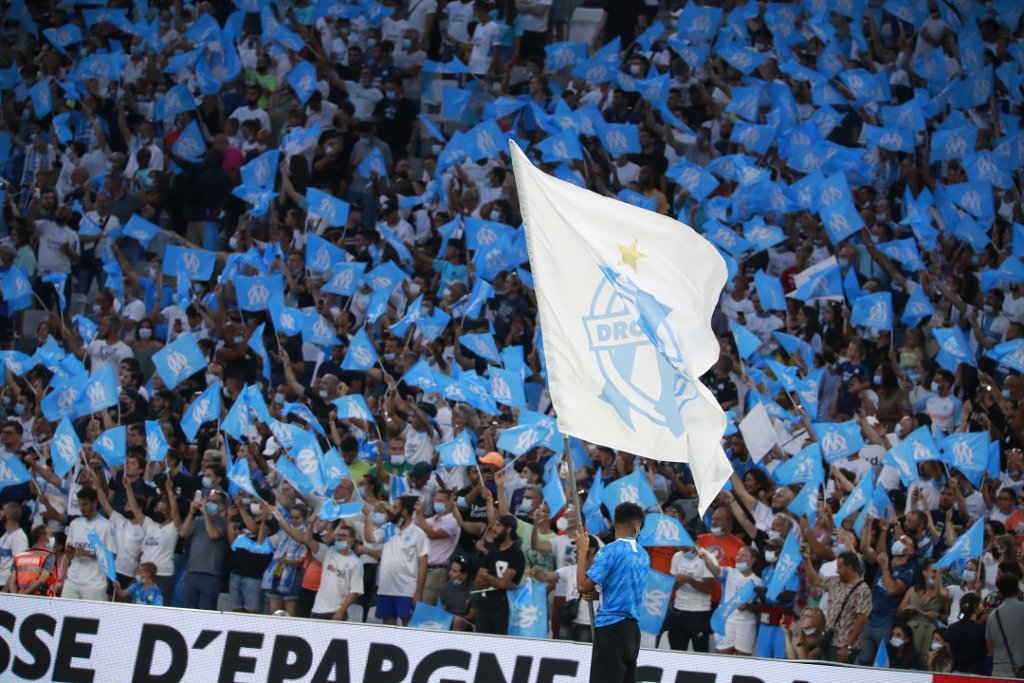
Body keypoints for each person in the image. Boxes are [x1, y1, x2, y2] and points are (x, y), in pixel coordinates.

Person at [576, 502, 648, 683]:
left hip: (611, 628)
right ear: (637, 527)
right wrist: (597, 594)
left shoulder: (609, 551)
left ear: (614, 524)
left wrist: (582, 552)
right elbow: (623, 586)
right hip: (632, 632)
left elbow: (583, 586)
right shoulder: (643, 555)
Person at [474, 514, 525, 634]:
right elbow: (477, 582)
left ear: (508, 530)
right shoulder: (492, 552)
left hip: (504, 606)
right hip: (484, 604)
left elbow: (502, 583)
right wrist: (499, 582)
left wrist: (487, 577)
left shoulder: (516, 554)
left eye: (498, 525)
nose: (493, 529)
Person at [62, 488, 114, 601]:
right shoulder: (74, 524)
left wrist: (89, 553)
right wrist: (69, 553)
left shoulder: (106, 526)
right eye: (79, 504)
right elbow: (68, 555)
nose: (81, 508)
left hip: (94, 584)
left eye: (85, 504)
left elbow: (111, 557)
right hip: (72, 580)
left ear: (94, 503)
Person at [986, 573, 1024, 678]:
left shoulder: (992, 616)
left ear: (999, 594)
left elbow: (990, 647)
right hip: (1021, 669)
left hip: (999, 671)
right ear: (1018, 591)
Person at [3, 525, 54, 595]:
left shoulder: (20, 555)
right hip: (40, 598)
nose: (52, 539)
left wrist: (16, 597)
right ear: (42, 538)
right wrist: (24, 594)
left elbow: (12, 581)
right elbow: (42, 580)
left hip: (20, 596)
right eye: (50, 535)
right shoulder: (48, 555)